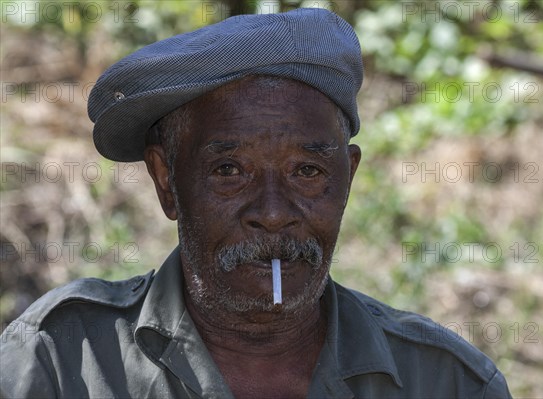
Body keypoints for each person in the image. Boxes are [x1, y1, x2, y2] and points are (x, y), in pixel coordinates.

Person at [0, 8, 512, 398]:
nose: (272, 212)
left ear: (347, 179)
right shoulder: (62, 360)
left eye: (307, 172)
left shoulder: (444, 381)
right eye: (229, 171)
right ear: (166, 181)